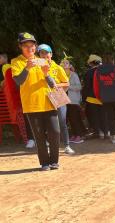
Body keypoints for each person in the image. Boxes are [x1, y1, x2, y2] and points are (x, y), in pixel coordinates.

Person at [11, 32, 60, 171]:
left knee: (55, 132)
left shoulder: (42, 60)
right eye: (26, 45)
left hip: (49, 102)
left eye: (32, 45)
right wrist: (27, 67)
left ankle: (54, 161)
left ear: (35, 46)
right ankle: (45, 163)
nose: (29, 48)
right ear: (20, 46)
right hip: (32, 105)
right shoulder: (16, 62)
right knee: (39, 136)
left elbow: (52, 84)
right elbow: (18, 81)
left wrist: (46, 73)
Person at [37, 44, 74, 155]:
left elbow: (67, 83)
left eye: (46, 53)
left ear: (51, 54)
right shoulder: (35, 67)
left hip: (57, 95)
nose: (44, 55)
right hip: (42, 96)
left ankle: (67, 145)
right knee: (46, 123)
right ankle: (48, 145)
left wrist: (56, 85)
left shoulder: (58, 68)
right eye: (41, 53)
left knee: (62, 122)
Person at [61, 59, 85, 144]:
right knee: (70, 119)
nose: (64, 64)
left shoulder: (73, 75)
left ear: (70, 65)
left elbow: (79, 87)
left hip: (73, 100)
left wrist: (67, 86)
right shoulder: (60, 75)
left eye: (66, 63)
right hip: (64, 101)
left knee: (75, 118)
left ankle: (79, 135)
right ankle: (74, 135)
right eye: (63, 63)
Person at [83, 54, 106, 138]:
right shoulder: (104, 71)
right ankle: (106, 132)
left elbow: (87, 86)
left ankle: (97, 132)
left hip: (91, 98)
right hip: (103, 97)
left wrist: (83, 98)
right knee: (103, 115)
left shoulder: (89, 72)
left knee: (94, 116)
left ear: (91, 63)